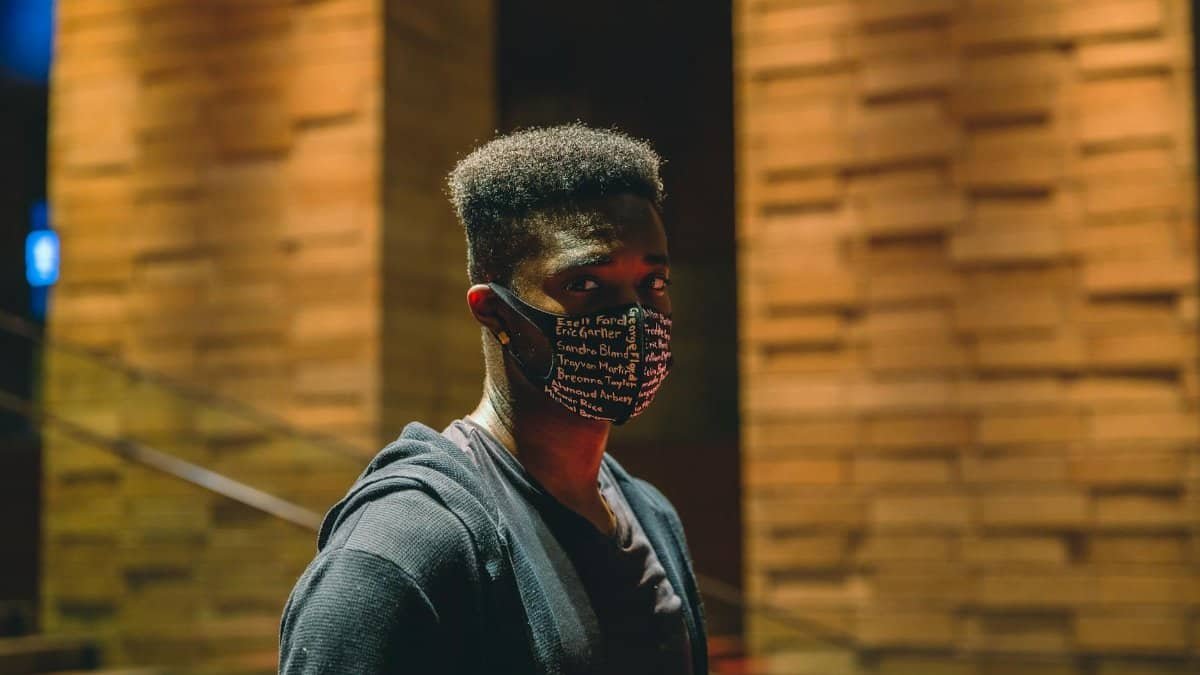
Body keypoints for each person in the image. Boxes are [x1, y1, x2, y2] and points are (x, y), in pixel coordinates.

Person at [278, 124, 707, 674]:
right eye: (585, 285)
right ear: (494, 311)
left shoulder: (652, 516)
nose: (634, 318)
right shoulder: (403, 549)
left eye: (653, 284)